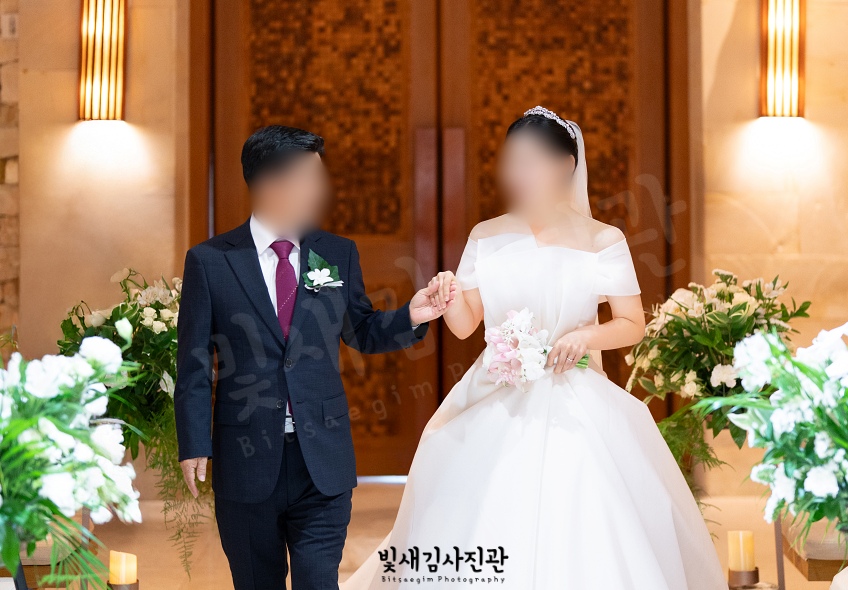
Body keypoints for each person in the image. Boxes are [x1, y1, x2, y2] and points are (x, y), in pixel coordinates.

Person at [342, 107, 727, 589]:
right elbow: (465, 326)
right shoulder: (486, 233)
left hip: (575, 394)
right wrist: (449, 295)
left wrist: (585, 336)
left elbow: (632, 323)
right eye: (514, 161)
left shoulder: (603, 239)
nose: (518, 172)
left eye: (531, 161)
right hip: (496, 391)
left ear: (565, 165)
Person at [174, 125, 456, 590]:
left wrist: (411, 315)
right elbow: (194, 363)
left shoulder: (337, 253)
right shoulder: (210, 261)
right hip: (246, 460)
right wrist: (193, 442)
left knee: (319, 580)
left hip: (322, 461)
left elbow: (361, 331)